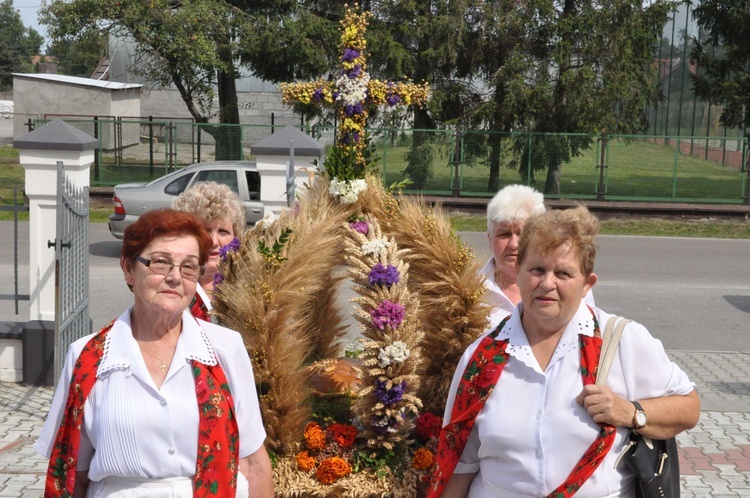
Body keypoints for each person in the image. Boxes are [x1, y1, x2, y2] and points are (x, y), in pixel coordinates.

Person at [430, 206, 699, 498]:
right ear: (517, 272)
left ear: (587, 284)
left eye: (563, 273)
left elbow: (689, 407)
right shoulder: (481, 357)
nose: (547, 283)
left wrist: (631, 412)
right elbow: (460, 465)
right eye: (536, 269)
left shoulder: (621, 340)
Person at [35, 209, 273, 498]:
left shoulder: (224, 349)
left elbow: (253, 462)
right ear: (128, 268)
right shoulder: (88, 358)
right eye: (160, 263)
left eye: (188, 267)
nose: (175, 277)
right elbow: (71, 474)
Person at [482, 184, 594, 330]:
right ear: (490, 238)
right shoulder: (469, 289)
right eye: (504, 234)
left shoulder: (571, 284)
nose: (514, 244)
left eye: (522, 233)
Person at [172, 181, 246, 321]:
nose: (214, 241)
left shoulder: (250, 287)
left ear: (235, 237)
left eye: (223, 232)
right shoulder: (172, 285)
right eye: (205, 230)